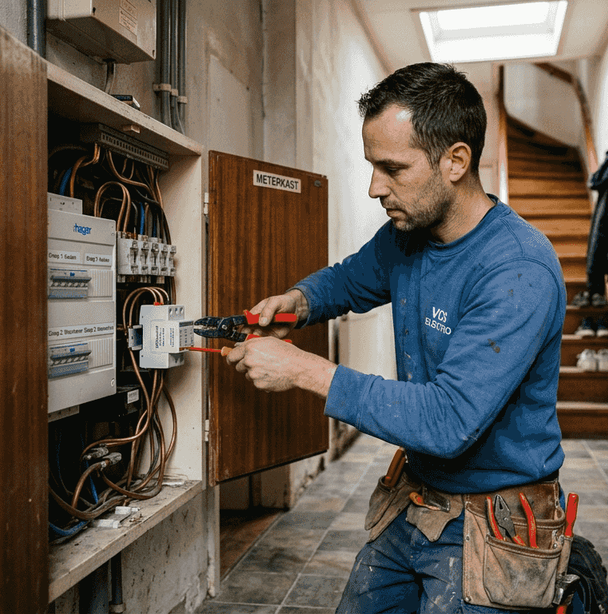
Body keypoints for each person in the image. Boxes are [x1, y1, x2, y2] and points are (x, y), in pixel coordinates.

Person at [225, 62, 585, 613]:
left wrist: (301, 370)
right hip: (416, 497)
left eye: (392, 168)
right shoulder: (408, 234)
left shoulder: (516, 269)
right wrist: (299, 302)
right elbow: (350, 277)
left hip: (497, 520)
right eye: (373, 167)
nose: (375, 188)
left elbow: (448, 421)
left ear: (456, 162)